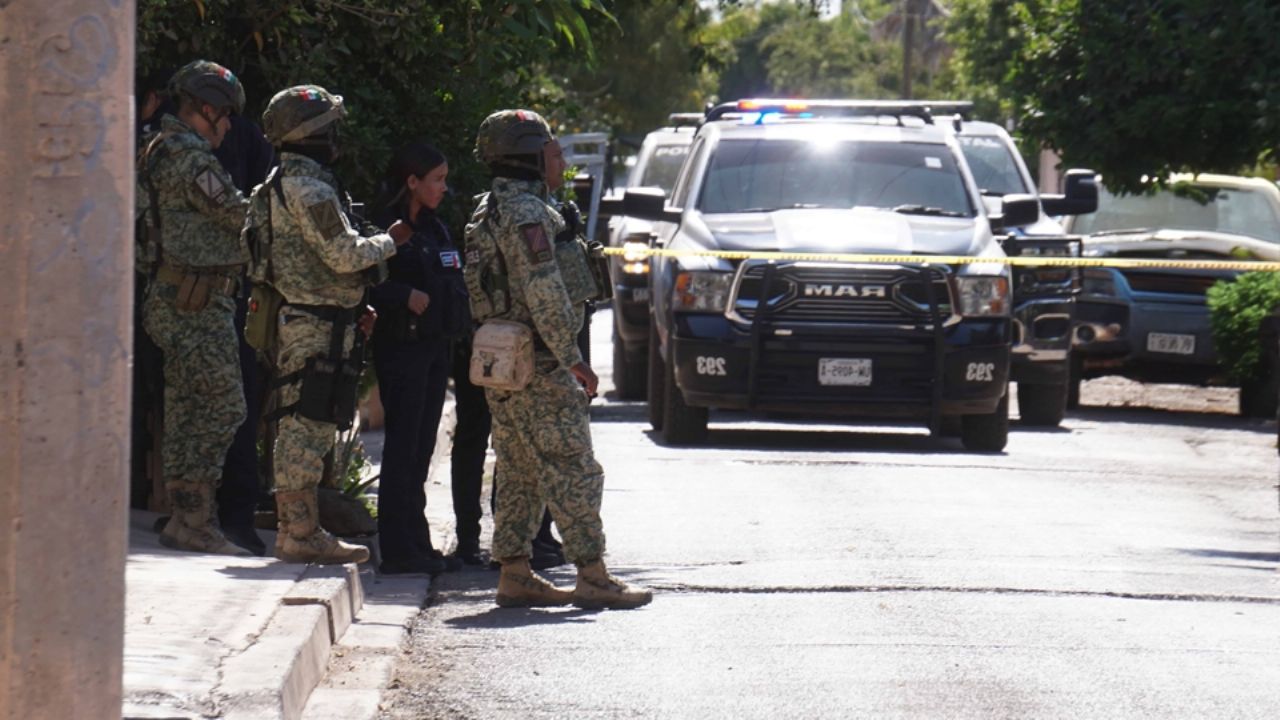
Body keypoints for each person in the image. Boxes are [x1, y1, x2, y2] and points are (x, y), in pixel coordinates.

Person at [464, 109, 651, 609]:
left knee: (520, 469)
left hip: (504, 362)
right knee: (573, 468)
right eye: (554, 150)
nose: (562, 160)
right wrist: (573, 358)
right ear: (529, 155)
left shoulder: (489, 210)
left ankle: (515, 572)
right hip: (541, 363)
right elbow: (544, 291)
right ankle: (592, 574)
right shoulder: (528, 214)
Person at [248, 84, 410, 565]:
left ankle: (300, 527)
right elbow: (344, 254)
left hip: (311, 318)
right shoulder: (311, 190)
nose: (338, 137)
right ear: (314, 133)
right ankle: (298, 532)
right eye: (331, 127)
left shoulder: (275, 185)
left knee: (307, 421)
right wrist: (390, 241)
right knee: (307, 426)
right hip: (314, 326)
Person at [137, 60, 252, 555]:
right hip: (194, 301)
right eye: (224, 116)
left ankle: (187, 517)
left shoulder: (159, 148)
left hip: (173, 297)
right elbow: (235, 215)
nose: (227, 126)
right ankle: (197, 519)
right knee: (226, 407)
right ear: (206, 108)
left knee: (186, 409)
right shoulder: (190, 157)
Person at [369, 141, 469, 574]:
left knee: (422, 449)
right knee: (402, 448)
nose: (444, 188)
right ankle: (397, 547)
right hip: (401, 349)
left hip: (434, 349)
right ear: (412, 182)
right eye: (437, 180)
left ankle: (418, 540)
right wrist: (402, 295)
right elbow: (362, 282)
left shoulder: (435, 228)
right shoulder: (383, 229)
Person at [212, 115, 277, 556]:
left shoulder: (240, 139)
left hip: (236, 294)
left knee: (238, 406)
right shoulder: (184, 149)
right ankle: (223, 514)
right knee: (232, 407)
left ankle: (232, 514)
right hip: (223, 298)